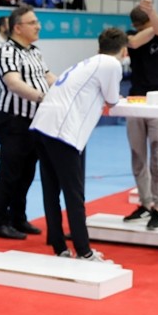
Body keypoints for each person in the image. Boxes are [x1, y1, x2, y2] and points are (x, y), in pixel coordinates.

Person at [31, 28, 128, 261]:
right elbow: (113, 99)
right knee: (74, 193)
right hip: (63, 130)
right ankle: (84, 250)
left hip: (43, 124)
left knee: (51, 189)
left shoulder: (89, 62)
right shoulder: (111, 64)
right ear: (124, 50)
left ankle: (59, 245)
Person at [0, 6, 56, 240]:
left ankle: (18, 217)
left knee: (27, 172)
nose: (38, 26)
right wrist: (43, 98)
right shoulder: (7, 52)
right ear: (18, 27)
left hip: (35, 120)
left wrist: (66, 91)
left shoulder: (35, 52)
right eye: (33, 22)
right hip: (13, 121)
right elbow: (14, 84)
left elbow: (49, 78)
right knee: (10, 172)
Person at [123, 0, 158, 230]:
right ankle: (145, 203)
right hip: (136, 100)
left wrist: (156, 17)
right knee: (138, 156)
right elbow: (133, 42)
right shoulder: (132, 36)